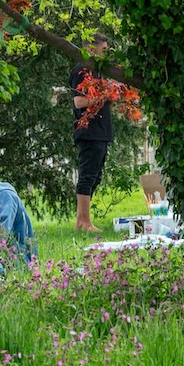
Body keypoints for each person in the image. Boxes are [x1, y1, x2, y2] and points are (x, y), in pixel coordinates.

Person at [71, 34, 114, 231]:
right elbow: (79, 102)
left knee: (95, 176)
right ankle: (84, 223)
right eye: (103, 49)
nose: (106, 53)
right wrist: (104, 96)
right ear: (90, 48)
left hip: (101, 131)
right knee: (87, 176)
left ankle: (82, 221)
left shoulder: (97, 73)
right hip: (89, 132)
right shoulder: (82, 70)